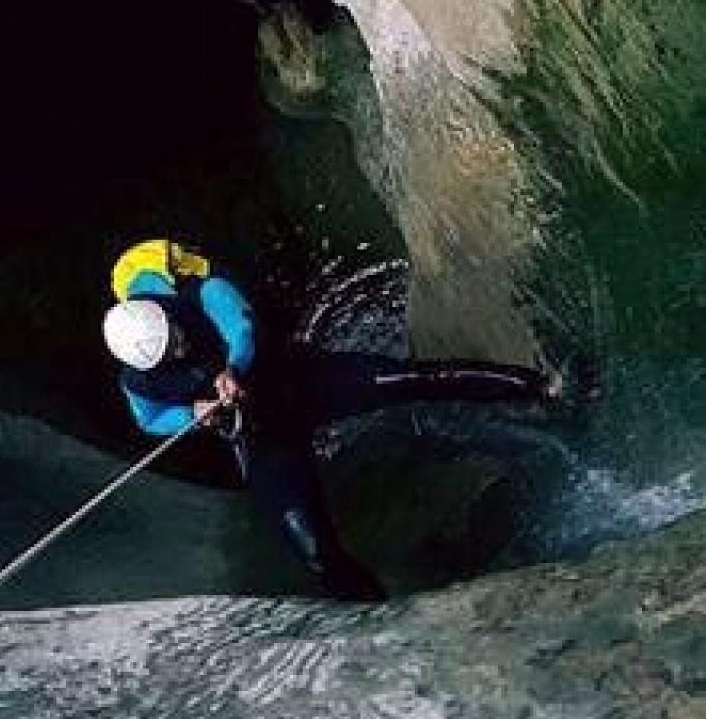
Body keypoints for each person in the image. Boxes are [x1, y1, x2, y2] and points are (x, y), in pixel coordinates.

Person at [101, 238, 555, 601]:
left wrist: (234, 368)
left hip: (299, 381)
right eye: (167, 356)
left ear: (163, 316)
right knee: (315, 552)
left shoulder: (198, 294)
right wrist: (192, 414)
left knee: (414, 380)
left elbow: (240, 326)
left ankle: (541, 388)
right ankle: (382, 616)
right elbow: (150, 419)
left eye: (175, 339)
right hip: (261, 434)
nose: (179, 350)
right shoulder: (139, 379)